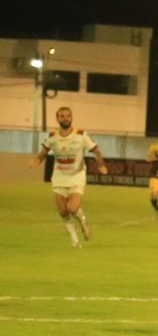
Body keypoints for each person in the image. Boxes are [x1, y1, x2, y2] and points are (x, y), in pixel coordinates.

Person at [31, 105, 107, 247]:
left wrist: (101, 164)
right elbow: (43, 153)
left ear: (71, 118)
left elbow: (96, 150)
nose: (65, 118)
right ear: (57, 118)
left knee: (72, 208)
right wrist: (36, 161)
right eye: (62, 116)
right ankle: (73, 237)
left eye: (68, 115)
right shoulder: (53, 137)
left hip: (77, 176)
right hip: (59, 177)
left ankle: (83, 222)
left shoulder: (80, 134)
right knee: (63, 211)